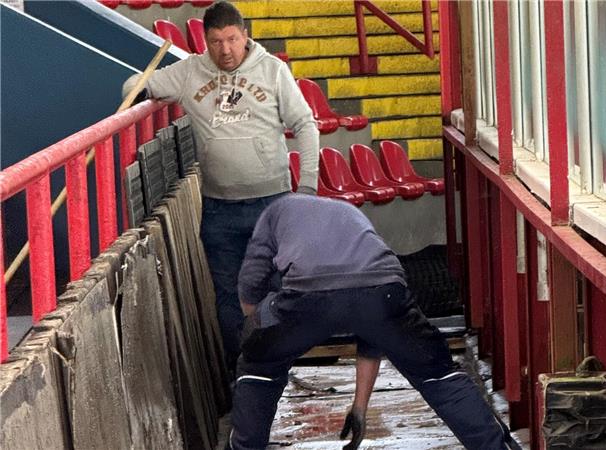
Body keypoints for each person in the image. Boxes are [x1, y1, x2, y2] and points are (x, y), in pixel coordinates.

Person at [230, 194, 521, 450]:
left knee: (258, 364)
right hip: (384, 291)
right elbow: (373, 336)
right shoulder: (349, 214)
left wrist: (263, 339)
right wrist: (360, 408)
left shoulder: (272, 213)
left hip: (308, 293)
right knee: (438, 375)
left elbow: (250, 287)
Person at [122, 1, 320, 370]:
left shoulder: (274, 71)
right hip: (219, 208)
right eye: (216, 41)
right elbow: (136, 85)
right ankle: (243, 374)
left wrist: (306, 187)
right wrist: (141, 91)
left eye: (232, 39)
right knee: (229, 299)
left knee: (277, 292)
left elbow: (306, 125)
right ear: (204, 42)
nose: (225, 50)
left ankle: (280, 371)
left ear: (245, 36)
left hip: (272, 204)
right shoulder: (189, 72)